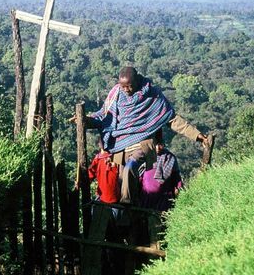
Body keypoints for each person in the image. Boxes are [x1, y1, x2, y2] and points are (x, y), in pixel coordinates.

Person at [80, 66, 210, 205]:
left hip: (144, 145)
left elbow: (172, 119)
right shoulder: (116, 94)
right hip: (120, 146)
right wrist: (84, 120)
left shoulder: (153, 96)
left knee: (130, 167)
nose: (126, 89)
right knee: (121, 180)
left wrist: (197, 135)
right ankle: (128, 213)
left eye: (129, 86)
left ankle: (126, 205)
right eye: (123, 86)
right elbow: (103, 116)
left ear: (137, 81)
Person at [138, 133, 184, 212]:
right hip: (146, 196)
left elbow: (176, 176)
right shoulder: (146, 156)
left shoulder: (170, 157)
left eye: (160, 145)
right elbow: (139, 176)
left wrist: (179, 187)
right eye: (155, 145)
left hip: (164, 197)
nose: (158, 148)